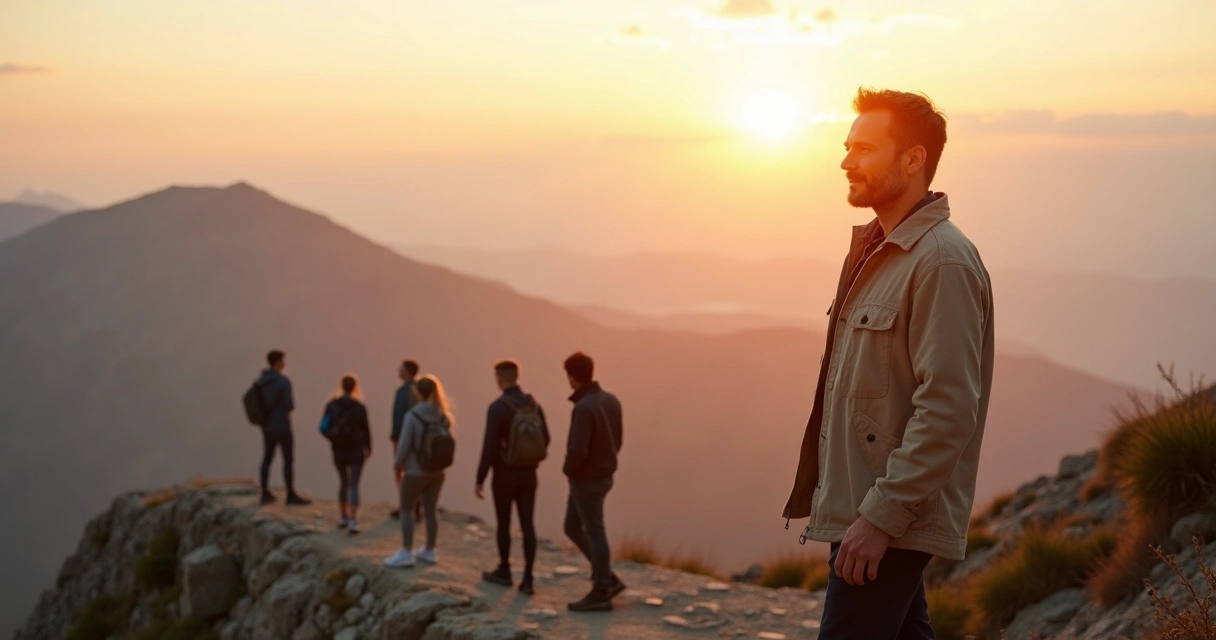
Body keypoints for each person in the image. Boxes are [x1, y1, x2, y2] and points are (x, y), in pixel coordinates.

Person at [781, 88, 994, 640]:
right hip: (869, 512)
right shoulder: (882, 251)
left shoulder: (941, 261)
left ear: (913, 159)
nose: (846, 160)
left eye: (865, 148)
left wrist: (880, 517)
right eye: (848, 146)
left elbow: (948, 410)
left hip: (886, 521)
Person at [477, 360, 551, 595]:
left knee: (504, 523)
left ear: (500, 378)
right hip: (529, 474)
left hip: (504, 474)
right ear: (517, 377)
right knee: (528, 524)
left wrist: (480, 477)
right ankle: (528, 579)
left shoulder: (498, 407)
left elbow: (489, 446)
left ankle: (505, 571)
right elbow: (546, 438)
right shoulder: (534, 405)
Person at [560, 352, 625, 612]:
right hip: (603, 474)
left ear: (572, 377)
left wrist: (568, 470)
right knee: (571, 526)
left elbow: (577, 450)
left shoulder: (584, 407)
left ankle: (601, 591)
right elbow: (617, 439)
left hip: (586, 479)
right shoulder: (611, 400)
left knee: (595, 531)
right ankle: (607, 577)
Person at [384, 374, 454, 568]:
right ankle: (430, 550)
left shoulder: (413, 416)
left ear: (417, 392)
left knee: (406, 508)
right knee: (431, 510)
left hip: (416, 471)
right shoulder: (443, 415)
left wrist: (398, 464)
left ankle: (406, 551)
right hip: (438, 472)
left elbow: (404, 445)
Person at [255, 350, 310, 506]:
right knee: (287, 460)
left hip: (266, 425)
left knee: (267, 457)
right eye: (283, 360)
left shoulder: (261, 380)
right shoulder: (283, 381)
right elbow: (289, 405)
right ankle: (290, 494)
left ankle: (264, 492)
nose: (285, 363)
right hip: (282, 425)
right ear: (278, 362)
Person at [322, 374, 372, 534]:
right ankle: (353, 519)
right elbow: (366, 430)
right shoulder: (359, 407)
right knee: (354, 484)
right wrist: (368, 447)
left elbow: (323, 427)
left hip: (339, 450)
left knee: (343, 482)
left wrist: (333, 439)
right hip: (356, 449)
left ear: (341, 386)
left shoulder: (331, 405)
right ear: (355, 387)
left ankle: (343, 516)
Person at [390, 359, 420, 520]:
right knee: (416, 471)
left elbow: (399, 416)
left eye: (401, 369)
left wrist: (395, 437)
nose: (398, 371)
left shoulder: (402, 392)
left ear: (407, 371)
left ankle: (405, 505)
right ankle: (417, 507)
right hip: (419, 438)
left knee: (399, 470)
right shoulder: (420, 390)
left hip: (402, 436)